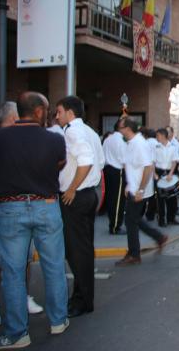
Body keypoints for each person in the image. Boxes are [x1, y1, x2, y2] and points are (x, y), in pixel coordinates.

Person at [0, 92, 69, 348]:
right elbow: (59, 165)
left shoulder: (1, 138)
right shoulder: (53, 139)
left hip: (9, 208)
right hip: (46, 205)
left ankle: (18, 332)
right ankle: (58, 320)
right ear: (38, 111)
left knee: (13, 272)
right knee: (53, 265)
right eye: (47, 110)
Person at [55, 96, 105, 319]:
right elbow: (100, 162)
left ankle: (82, 301)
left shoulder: (73, 131)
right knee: (82, 249)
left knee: (77, 251)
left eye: (59, 111)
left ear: (69, 112)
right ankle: (83, 298)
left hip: (76, 197)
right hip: (88, 195)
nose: (57, 116)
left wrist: (72, 188)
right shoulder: (90, 132)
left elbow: (87, 162)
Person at [115, 118, 168, 266]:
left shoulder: (139, 144)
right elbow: (131, 167)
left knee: (130, 221)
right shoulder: (131, 143)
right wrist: (129, 186)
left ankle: (134, 254)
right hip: (134, 188)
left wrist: (140, 189)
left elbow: (148, 167)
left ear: (128, 129)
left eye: (120, 128)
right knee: (135, 219)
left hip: (139, 191)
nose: (119, 131)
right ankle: (159, 237)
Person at [102, 121, 127, 234]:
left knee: (111, 198)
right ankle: (115, 226)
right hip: (118, 170)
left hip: (107, 169)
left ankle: (112, 223)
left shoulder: (108, 139)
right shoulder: (121, 140)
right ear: (121, 128)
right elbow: (124, 159)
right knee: (118, 200)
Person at [154, 128, 179, 226]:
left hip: (170, 172)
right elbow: (152, 162)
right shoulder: (156, 147)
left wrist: (171, 174)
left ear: (163, 135)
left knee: (172, 198)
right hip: (159, 173)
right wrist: (154, 174)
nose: (157, 137)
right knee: (160, 199)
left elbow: (175, 161)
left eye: (158, 135)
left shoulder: (173, 147)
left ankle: (171, 218)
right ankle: (161, 220)